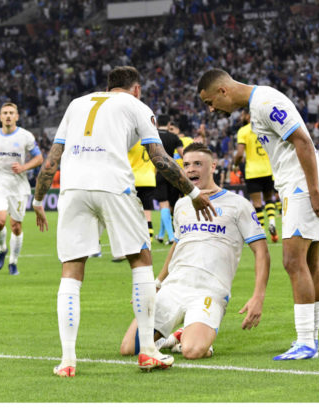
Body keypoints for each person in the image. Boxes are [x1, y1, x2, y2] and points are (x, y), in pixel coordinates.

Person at [32, 66, 216, 377]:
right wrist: (194, 192)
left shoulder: (77, 104)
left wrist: (38, 200)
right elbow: (160, 158)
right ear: (136, 89)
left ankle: (67, 360)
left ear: (108, 86)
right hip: (113, 186)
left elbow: (52, 159)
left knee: (71, 271)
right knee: (140, 260)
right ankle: (148, 351)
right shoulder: (136, 106)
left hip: (73, 190)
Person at [198, 68, 319, 360]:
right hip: (297, 185)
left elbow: (302, 141)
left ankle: (306, 341)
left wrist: (312, 190)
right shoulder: (257, 106)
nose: (211, 109)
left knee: (293, 261)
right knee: (310, 261)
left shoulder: (265, 102)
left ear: (223, 91)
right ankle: (310, 339)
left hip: (301, 185)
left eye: (210, 102)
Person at [120, 143, 270, 359]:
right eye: (187, 164)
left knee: (192, 351)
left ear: (213, 166)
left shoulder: (238, 205)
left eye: (198, 164)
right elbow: (178, 246)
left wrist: (258, 297)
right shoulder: (182, 205)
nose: (191, 169)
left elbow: (262, 252)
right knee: (128, 348)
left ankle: (185, 335)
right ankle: (176, 336)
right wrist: (157, 283)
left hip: (209, 291)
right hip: (174, 287)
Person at [0, 102, 44, 275]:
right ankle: (2, 249)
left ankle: (13, 261)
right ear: (0, 117)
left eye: (11, 113)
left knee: (16, 226)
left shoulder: (26, 136)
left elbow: (39, 158)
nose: (8, 116)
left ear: (17, 117)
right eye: (5, 113)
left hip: (18, 184)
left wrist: (24, 167)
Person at [234, 109, 279, 242]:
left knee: (257, 203)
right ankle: (272, 222)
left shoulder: (243, 131)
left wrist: (235, 164)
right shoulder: (266, 128)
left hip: (253, 171)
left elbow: (240, 154)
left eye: (243, 115)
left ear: (248, 116)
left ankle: (262, 231)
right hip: (268, 169)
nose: (242, 117)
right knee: (269, 198)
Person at [154, 114, 183, 245]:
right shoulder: (174, 137)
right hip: (172, 172)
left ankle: (171, 237)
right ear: (169, 124)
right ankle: (161, 234)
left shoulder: (153, 135)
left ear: (157, 123)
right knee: (169, 205)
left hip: (160, 172)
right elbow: (182, 154)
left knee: (163, 205)